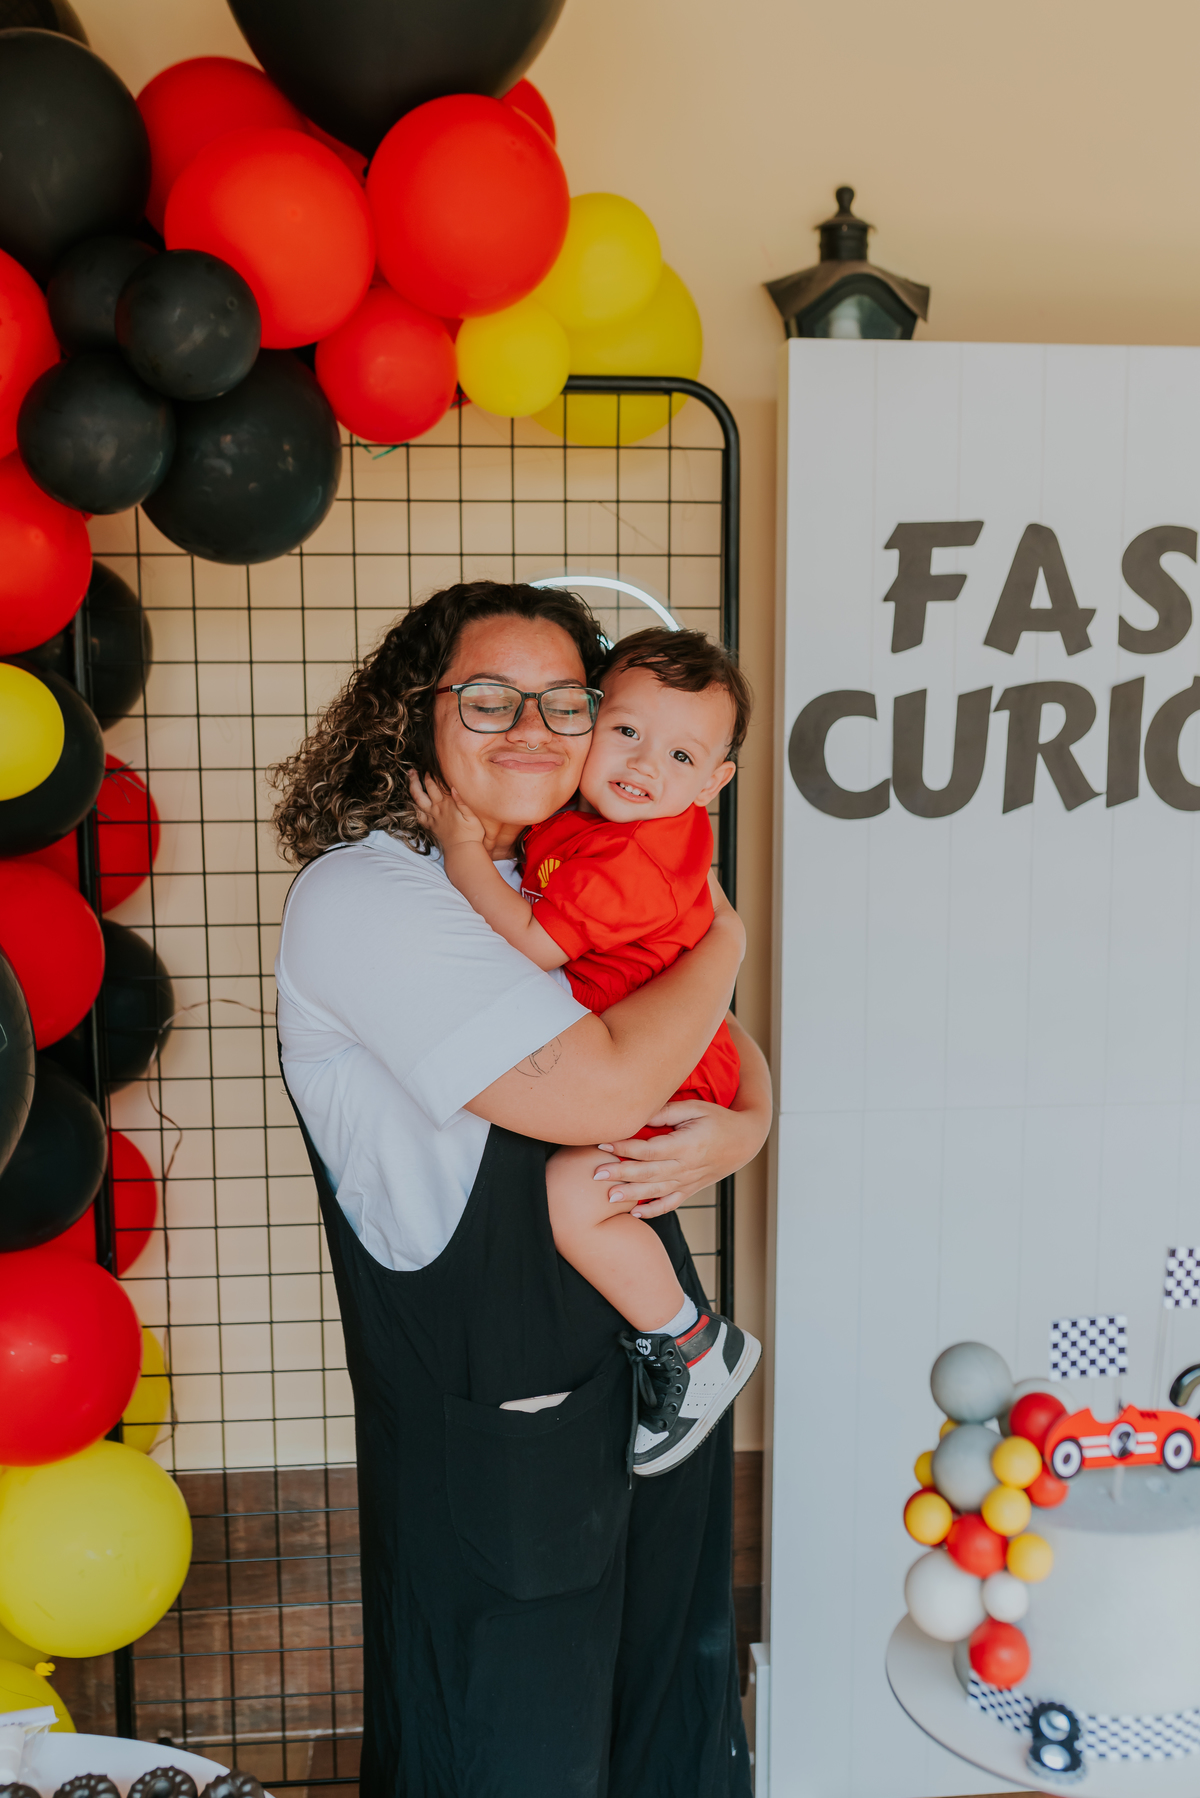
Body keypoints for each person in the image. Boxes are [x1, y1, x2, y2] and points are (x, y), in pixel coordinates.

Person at [271, 580, 772, 1798]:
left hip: (656, 1380)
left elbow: (704, 1044)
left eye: (567, 700)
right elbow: (603, 1092)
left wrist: (752, 1117)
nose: (533, 728)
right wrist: (726, 945)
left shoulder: (567, 863)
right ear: (414, 715)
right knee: (513, 1755)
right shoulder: (372, 896)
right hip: (497, 1418)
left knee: (671, 1724)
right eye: (488, 698)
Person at [409, 625, 761, 1479]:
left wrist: (460, 848)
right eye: (629, 732)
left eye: (681, 755)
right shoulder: (609, 821)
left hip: (664, 1061)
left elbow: (529, 941)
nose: (645, 765)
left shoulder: (637, 859)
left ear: (714, 783)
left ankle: (697, 1345)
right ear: (594, 720)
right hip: (656, 1037)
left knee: (575, 1195)